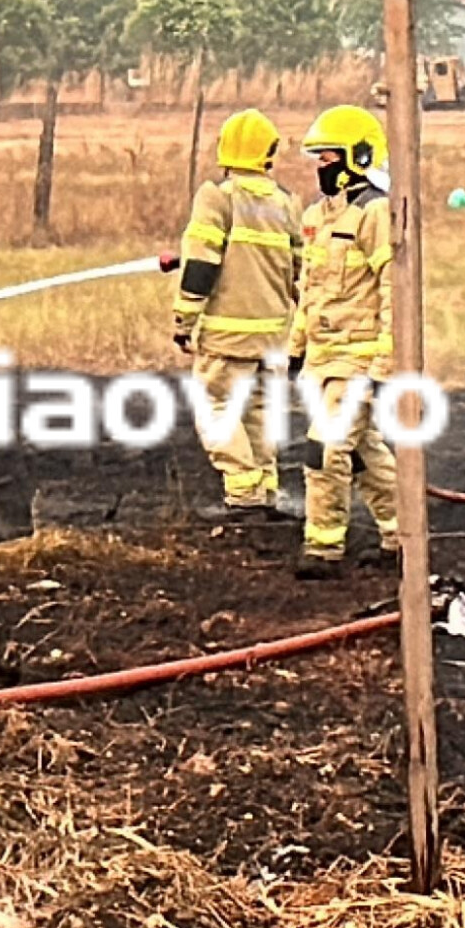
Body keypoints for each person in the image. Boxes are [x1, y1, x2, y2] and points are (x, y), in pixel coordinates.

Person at [169, 109, 302, 523]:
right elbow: (301, 272)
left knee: (216, 407)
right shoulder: (285, 203)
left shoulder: (218, 197)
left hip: (227, 339)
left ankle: (243, 493)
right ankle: (265, 489)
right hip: (274, 339)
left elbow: (203, 264)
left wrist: (183, 321)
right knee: (259, 411)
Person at [289, 104, 398, 578]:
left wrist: (384, 368)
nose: (321, 166)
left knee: (326, 449)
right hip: (323, 362)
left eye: (329, 157)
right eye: (318, 158)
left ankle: (324, 548)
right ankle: (402, 536)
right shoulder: (317, 216)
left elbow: (394, 291)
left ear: (359, 156)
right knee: (363, 453)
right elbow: (311, 290)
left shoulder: (376, 212)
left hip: (359, 362)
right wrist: (296, 348)